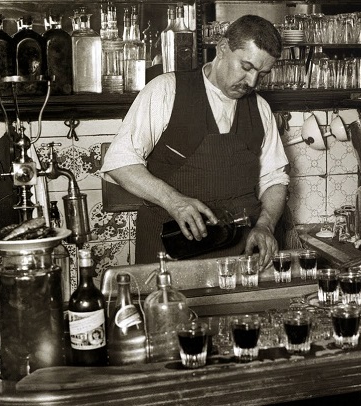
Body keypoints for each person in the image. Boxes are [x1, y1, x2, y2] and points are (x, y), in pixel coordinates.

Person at [101, 15, 290, 267]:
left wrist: (265, 225)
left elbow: (274, 179)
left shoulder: (261, 108)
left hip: (240, 256)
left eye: (262, 74)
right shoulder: (166, 90)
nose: (252, 82)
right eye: (246, 67)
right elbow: (119, 162)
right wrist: (174, 202)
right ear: (222, 48)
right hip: (169, 253)